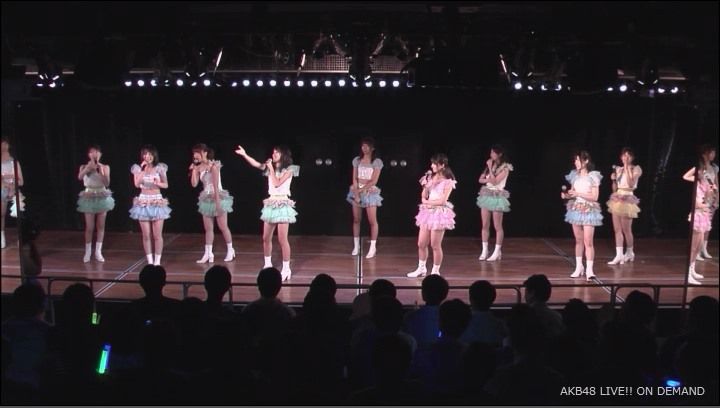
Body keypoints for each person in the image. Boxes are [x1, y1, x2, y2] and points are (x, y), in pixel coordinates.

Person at [235, 145, 299, 281]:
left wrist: (270, 168)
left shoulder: (290, 169)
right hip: (271, 203)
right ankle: (268, 264)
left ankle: (286, 269)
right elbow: (257, 164)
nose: (273, 154)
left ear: (284, 155)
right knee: (266, 237)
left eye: (277, 152)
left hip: (283, 204)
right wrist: (245, 155)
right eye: (273, 152)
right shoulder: (270, 167)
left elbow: (277, 183)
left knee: (282, 239)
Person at [407, 154, 457, 277]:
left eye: (435, 164)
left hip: (439, 214)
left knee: (435, 245)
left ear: (442, 165)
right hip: (427, 213)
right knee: (421, 243)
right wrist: (426, 187)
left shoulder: (448, 182)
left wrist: (428, 202)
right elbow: (423, 196)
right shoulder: (430, 178)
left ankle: (435, 271)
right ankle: (421, 268)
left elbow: (442, 201)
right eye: (432, 163)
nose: (432, 166)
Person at [189, 144, 235, 263]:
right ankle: (208, 254)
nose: (195, 155)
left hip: (218, 197)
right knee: (208, 228)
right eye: (194, 153)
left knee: (223, 226)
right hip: (206, 199)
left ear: (205, 153)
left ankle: (230, 250)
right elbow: (194, 184)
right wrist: (194, 170)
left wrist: (218, 203)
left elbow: (215, 185)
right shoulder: (199, 167)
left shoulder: (213, 165)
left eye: (197, 152)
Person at [562, 150, 602, 280]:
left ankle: (590, 270)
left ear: (585, 161)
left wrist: (578, 194)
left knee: (588, 241)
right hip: (576, 209)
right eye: (575, 160)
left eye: (578, 160)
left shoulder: (593, 176)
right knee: (578, 240)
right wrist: (567, 196)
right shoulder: (574, 175)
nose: (576, 162)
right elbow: (573, 193)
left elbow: (595, 197)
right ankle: (579, 267)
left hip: (589, 209)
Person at [129, 145, 171, 265]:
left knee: (157, 235)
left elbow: (166, 185)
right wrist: (142, 171)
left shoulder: (159, 168)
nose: (148, 156)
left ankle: (157, 261)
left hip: (157, 201)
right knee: (146, 235)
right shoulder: (138, 169)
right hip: (143, 201)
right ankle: (150, 261)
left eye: (150, 154)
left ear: (154, 155)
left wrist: (158, 183)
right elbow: (137, 184)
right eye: (145, 154)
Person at [76, 144, 115, 262]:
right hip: (89, 195)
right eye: (92, 152)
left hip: (102, 195)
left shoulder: (105, 167)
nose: (95, 154)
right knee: (89, 226)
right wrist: (88, 168)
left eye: (97, 152)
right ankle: (88, 252)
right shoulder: (84, 166)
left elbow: (107, 183)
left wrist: (100, 171)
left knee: (101, 226)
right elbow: (80, 177)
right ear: (89, 154)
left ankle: (98, 252)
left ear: (100, 154)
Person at [347, 137, 384, 258]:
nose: (364, 148)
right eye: (363, 146)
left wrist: (361, 190)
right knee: (356, 219)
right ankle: (356, 246)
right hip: (357, 190)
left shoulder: (376, 162)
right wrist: (356, 193)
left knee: (372, 221)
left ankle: (373, 247)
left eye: (367, 146)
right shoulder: (357, 160)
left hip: (369, 192)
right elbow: (354, 178)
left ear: (372, 148)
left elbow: (374, 180)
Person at [477, 144, 513, 262]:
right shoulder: (489, 166)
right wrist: (489, 172)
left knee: (497, 226)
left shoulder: (505, 168)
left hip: (497, 196)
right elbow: (480, 179)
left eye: (493, 153)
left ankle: (497, 251)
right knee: (485, 224)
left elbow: (495, 181)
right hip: (486, 194)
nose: (491, 155)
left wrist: (489, 169)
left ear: (499, 154)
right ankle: (485, 250)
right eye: (491, 152)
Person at [607, 147, 642, 265]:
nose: (625, 158)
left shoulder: (636, 168)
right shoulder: (618, 169)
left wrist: (627, 168)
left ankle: (630, 252)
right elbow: (615, 189)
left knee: (626, 229)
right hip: (618, 198)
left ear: (632, 157)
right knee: (617, 229)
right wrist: (613, 180)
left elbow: (631, 184)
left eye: (628, 156)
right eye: (623, 155)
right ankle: (619, 255)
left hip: (628, 198)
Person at [682, 144, 718, 261]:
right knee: (699, 227)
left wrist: (716, 198)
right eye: (711, 152)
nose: (713, 155)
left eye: (714, 153)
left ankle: (703, 249)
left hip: (710, 197)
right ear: (705, 154)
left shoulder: (714, 168)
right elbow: (685, 176)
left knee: (708, 225)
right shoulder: (699, 168)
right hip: (700, 199)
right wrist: (697, 178)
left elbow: (715, 184)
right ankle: (696, 252)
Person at [683, 165, 714, 285]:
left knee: (698, 246)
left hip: (703, 215)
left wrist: (711, 190)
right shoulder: (695, 182)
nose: (703, 172)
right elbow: (685, 176)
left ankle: (692, 270)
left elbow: (708, 199)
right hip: (697, 215)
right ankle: (688, 274)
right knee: (693, 246)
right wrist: (696, 167)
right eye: (701, 170)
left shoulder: (705, 184)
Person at [1, 137, 25, 249]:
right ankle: (2, 236)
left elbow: (21, 181)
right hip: (2, 189)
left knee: (19, 210)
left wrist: (13, 186)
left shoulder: (14, 162)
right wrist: (6, 185)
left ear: (7, 145)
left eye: (4, 144)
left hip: (14, 189)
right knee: (1, 211)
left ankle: (21, 237)